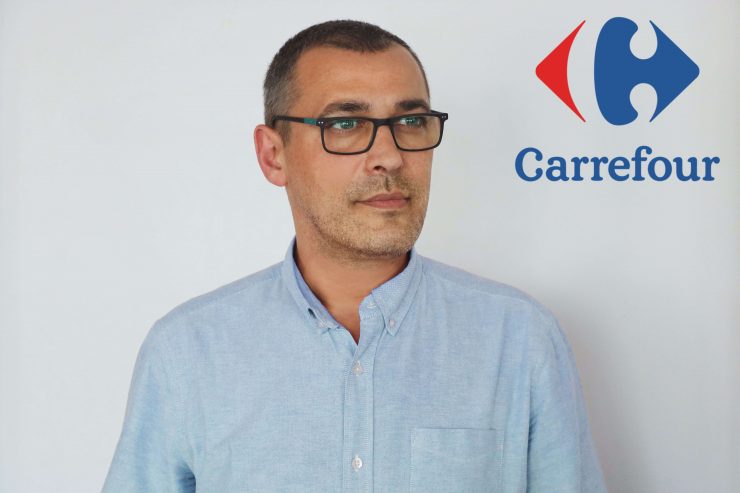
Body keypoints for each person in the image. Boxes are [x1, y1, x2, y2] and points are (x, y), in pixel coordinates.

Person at [102, 19, 608, 493]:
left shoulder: (519, 341)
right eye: (345, 124)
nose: (389, 156)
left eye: (411, 120)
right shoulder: (187, 353)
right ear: (273, 155)